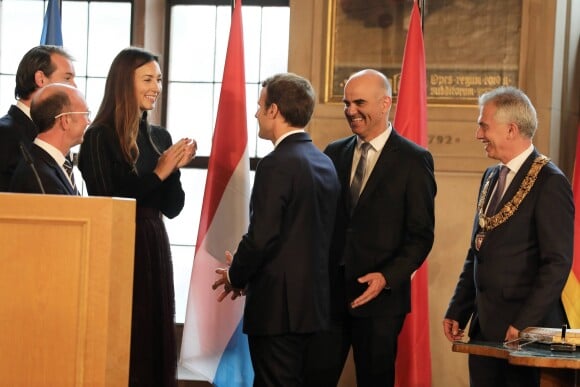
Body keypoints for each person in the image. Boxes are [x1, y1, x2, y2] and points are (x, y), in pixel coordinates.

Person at [303, 69, 437, 387]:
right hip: (330, 298)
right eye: (346, 103)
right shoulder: (334, 152)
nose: (350, 111)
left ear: (384, 103)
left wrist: (387, 277)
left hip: (380, 302)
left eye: (359, 102)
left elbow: (421, 235)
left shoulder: (414, 160)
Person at [78, 47, 196, 387]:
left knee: (153, 332)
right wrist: (159, 173)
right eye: (147, 79)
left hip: (152, 239)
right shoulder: (99, 136)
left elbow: (173, 208)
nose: (156, 87)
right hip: (116, 243)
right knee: (123, 333)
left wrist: (173, 171)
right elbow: (105, 198)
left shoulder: (160, 137)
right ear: (123, 83)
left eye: (158, 79)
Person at [212, 73, 340, 386]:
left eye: (260, 105)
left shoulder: (277, 163)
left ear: (274, 110)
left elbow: (262, 237)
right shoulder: (324, 162)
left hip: (278, 312)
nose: (256, 112)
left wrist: (235, 275)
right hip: (315, 308)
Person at [443, 86, 574, 387]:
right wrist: (458, 308)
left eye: (483, 125)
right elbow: (477, 250)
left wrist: (523, 323)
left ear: (511, 129)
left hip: (526, 337)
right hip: (484, 330)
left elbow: (557, 263)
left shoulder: (550, 182)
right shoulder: (491, 176)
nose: (478, 134)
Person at [0, 45, 76, 191]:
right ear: (40, 79)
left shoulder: (55, 132)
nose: (74, 86)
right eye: (67, 78)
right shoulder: (4, 134)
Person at [9, 83, 89, 194]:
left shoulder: (49, 164)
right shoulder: (38, 175)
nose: (89, 121)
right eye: (86, 114)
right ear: (65, 120)